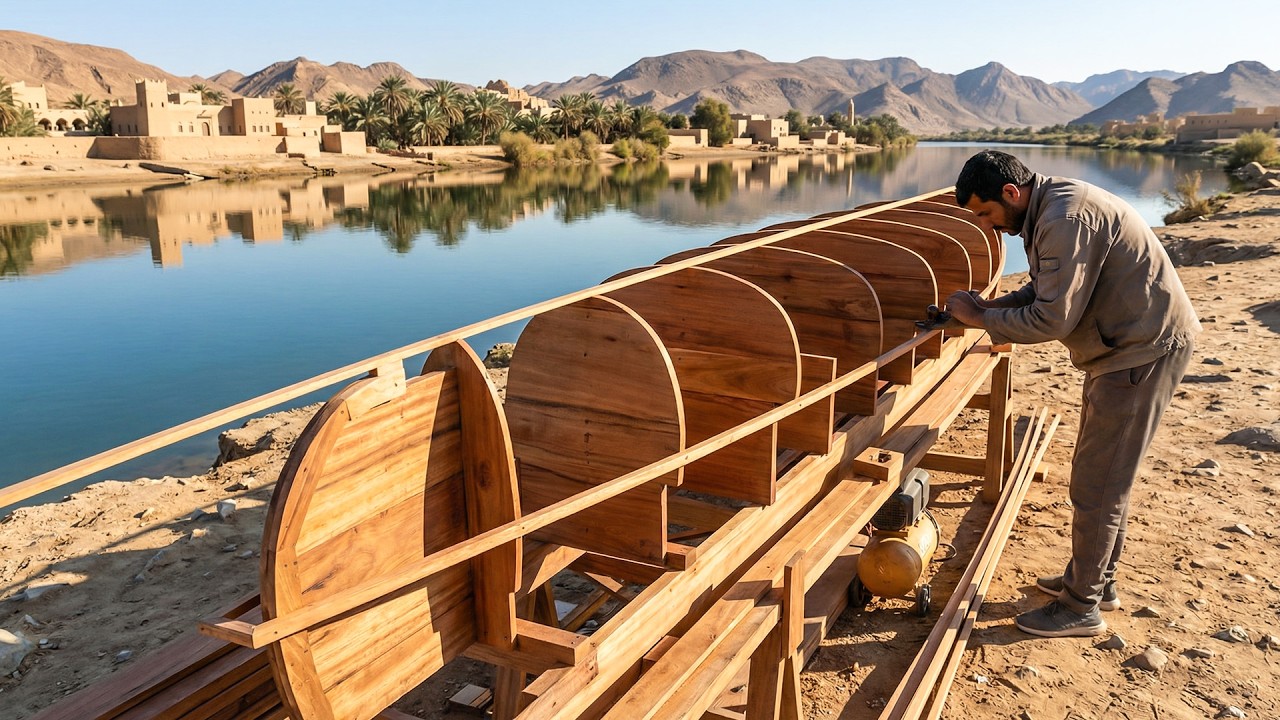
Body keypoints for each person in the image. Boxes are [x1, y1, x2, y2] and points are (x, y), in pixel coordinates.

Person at [946, 150, 1200, 638]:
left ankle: (1082, 607)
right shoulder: (1049, 208)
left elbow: (1051, 319)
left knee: (1098, 484)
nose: (987, 225)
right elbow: (1045, 291)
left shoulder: (1064, 219)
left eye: (985, 213)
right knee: (1105, 477)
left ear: (1010, 194)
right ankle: (1096, 583)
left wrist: (980, 320)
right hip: (1125, 346)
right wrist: (990, 307)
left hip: (1140, 352)